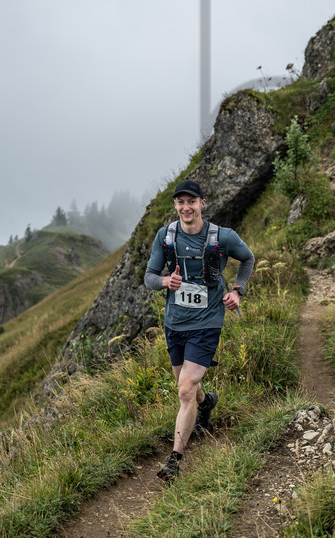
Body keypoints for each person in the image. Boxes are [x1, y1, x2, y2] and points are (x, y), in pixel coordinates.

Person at [144, 179, 255, 481]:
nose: (186, 207)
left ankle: (175, 459)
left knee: (184, 389)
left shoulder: (222, 236)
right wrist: (165, 282)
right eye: (180, 202)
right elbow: (149, 277)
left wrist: (237, 291)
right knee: (186, 385)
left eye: (191, 201)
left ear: (202, 204)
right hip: (175, 322)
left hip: (207, 321)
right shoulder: (165, 237)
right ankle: (207, 404)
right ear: (176, 206)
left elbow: (247, 258)